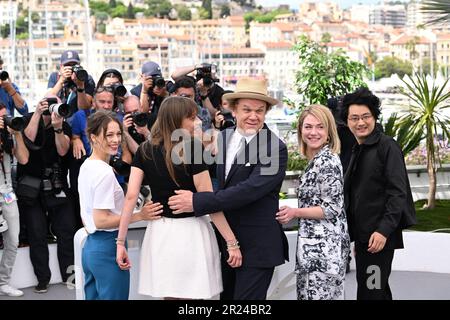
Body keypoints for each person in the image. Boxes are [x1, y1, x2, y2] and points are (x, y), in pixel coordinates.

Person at [168, 78, 289, 300]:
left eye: (259, 111)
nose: (253, 116)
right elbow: (202, 172)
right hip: (225, 243)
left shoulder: (274, 147)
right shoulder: (223, 137)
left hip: (258, 246)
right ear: (233, 109)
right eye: (247, 110)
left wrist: (197, 202)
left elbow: (248, 190)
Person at [116, 96, 242, 299]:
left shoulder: (144, 150)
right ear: (176, 120)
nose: (197, 122)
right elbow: (208, 201)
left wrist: (120, 242)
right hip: (192, 233)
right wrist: (231, 241)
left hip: (160, 233)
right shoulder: (193, 148)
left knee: (170, 295)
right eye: (191, 118)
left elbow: (131, 197)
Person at [341, 88, 416, 300]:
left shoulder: (387, 146)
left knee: (371, 292)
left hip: (379, 238)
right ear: (347, 122)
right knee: (377, 291)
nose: (360, 122)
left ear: (374, 117)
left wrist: (383, 231)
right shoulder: (359, 148)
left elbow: (397, 193)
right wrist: (357, 239)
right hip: (365, 239)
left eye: (365, 116)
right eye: (354, 118)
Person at [78, 110, 162, 300]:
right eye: (109, 135)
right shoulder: (104, 173)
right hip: (107, 248)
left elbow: (90, 215)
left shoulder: (86, 166)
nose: (116, 140)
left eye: (118, 134)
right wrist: (140, 216)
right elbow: (101, 220)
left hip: (90, 251)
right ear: (93, 137)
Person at [275, 104, 350, 300]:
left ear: (329, 131)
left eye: (320, 127)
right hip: (318, 252)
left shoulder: (327, 161)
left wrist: (294, 212)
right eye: (308, 127)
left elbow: (332, 208)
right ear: (300, 129)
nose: (313, 132)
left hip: (324, 254)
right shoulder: (318, 159)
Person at [17, 96, 78, 293]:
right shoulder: (28, 119)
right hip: (32, 188)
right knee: (37, 234)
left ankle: (70, 276)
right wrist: (36, 114)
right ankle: (42, 279)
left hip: (57, 184)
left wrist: (58, 126)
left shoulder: (62, 124)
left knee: (66, 232)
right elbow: (27, 139)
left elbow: (63, 151)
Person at [0, 102, 29, 297]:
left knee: (13, 239)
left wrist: (16, 132)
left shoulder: (8, 137)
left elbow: (24, 159)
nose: (4, 120)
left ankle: (3, 281)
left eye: (5, 116)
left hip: (7, 194)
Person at [47, 50, 96, 118]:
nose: (71, 68)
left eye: (74, 65)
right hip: (58, 119)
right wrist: (61, 80)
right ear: (61, 67)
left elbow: (84, 108)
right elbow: (47, 99)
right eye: (67, 65)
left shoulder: (86, 79)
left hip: (76, 121)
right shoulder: (55, 77)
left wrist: (80, 85)